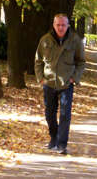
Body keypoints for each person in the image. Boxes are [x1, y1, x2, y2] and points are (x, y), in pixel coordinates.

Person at [35, 14, 85, 155]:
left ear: (68, 25)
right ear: (53, 25)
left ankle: (62, 144)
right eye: (58, 25)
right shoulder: (45, 40)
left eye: (63, 25)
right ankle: (54, 138)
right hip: (49, 82)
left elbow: (81, 62)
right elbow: (38, 61)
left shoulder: (75, 41)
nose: (61, 27)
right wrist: (41, 78)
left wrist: (74, 78)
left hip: (66, 83)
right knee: (49, 114)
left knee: (65, 114)